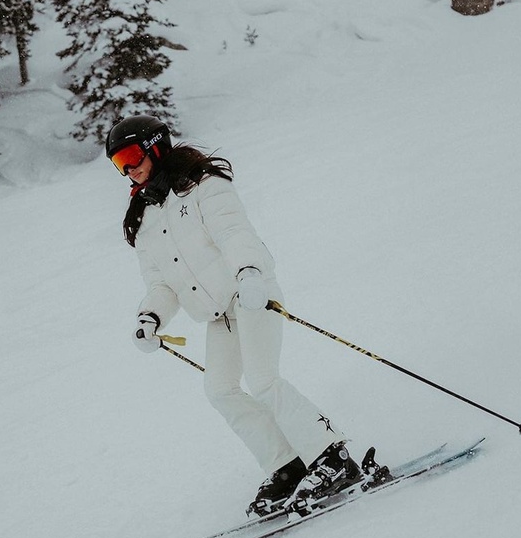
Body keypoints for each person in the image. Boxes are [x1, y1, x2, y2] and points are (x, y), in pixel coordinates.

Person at [106, 114, 362, 517]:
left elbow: (235, 234)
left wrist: (250, 274)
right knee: (220, 390)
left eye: (132, 155)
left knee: (263, 380)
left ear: (156, 146)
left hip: (250, 294)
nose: (129, 168)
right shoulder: (145, 221)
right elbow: (162, 285)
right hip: (217, 314)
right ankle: (287, 466)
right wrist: (149, 317)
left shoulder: (202, 186)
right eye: (119, 163)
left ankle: (333, 457)